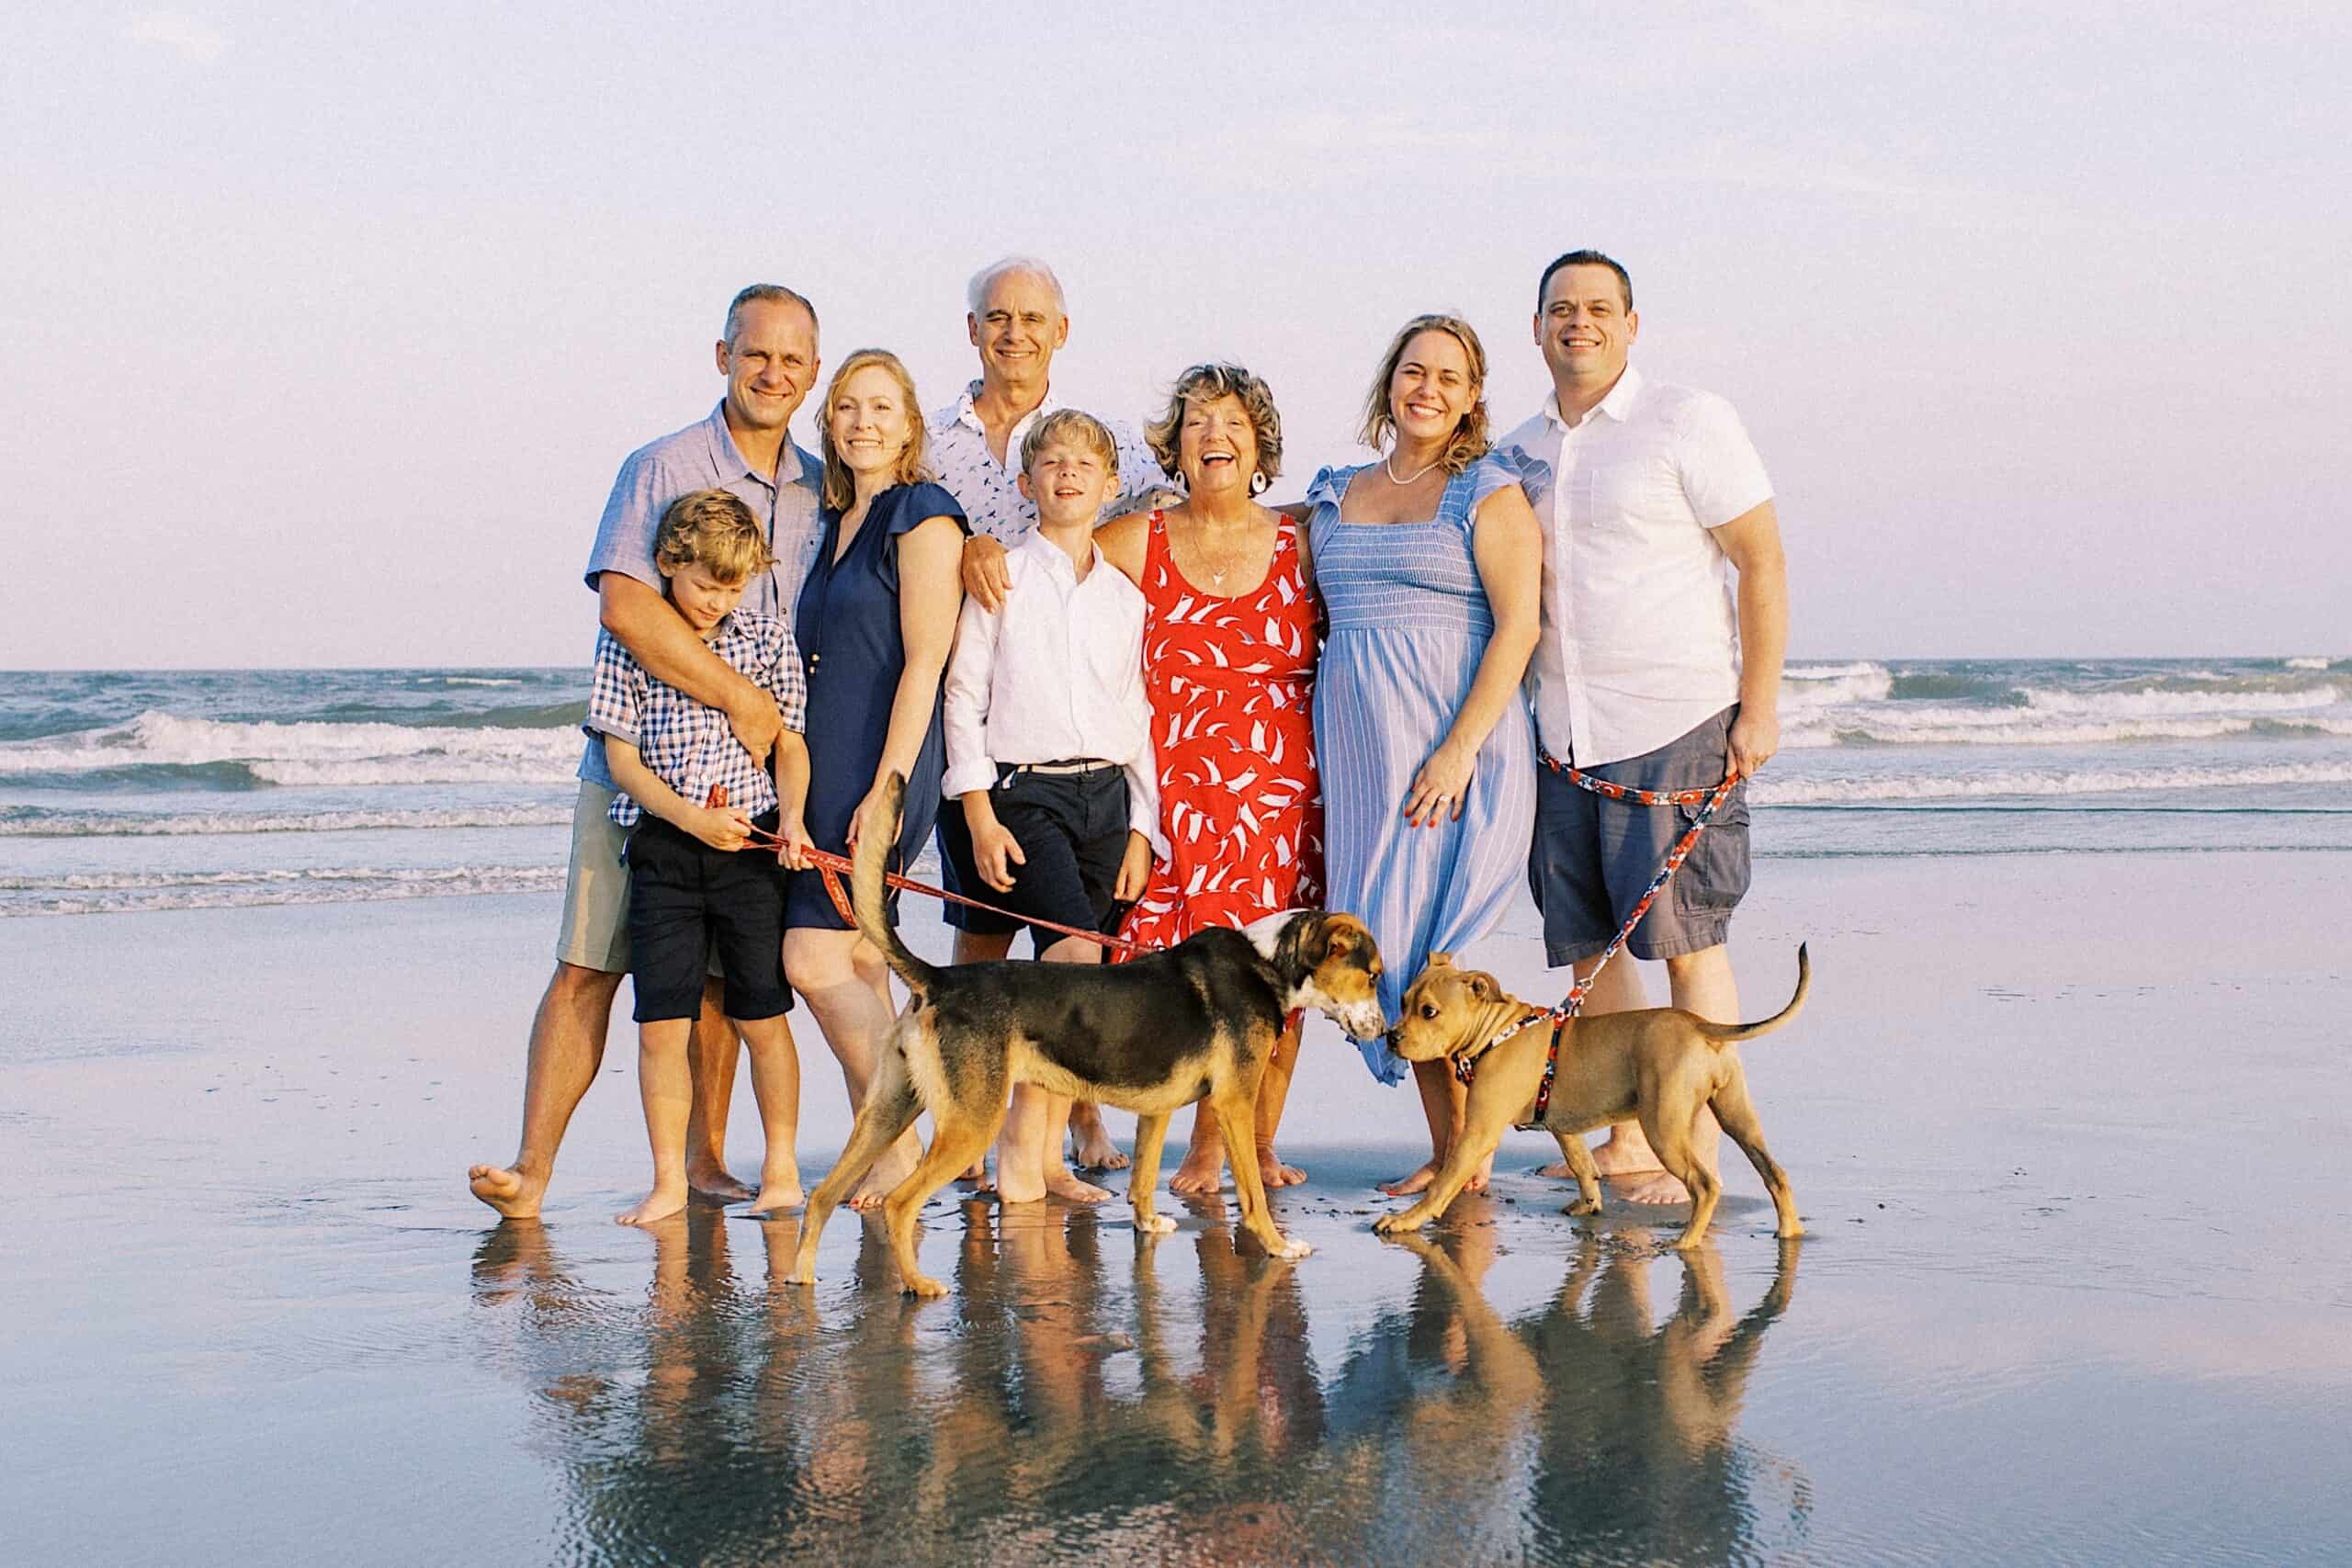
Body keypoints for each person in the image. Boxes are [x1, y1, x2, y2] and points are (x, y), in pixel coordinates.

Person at [468, 285, 824, 1220]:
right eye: (756, 353)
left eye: (792, 360)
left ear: (812, 373)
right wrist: (740, 695)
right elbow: (624, 606)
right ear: (722, 356)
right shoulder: (660, 466)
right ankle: (531, 1171)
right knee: (591, 964)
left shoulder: (821, 488)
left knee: (716, 990)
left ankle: (702, 1165)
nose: (772, 373)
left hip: (748, 793)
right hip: (637, 782)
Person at [1497, 250, 1789, 1206]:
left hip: (1676, 720)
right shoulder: (1517, 450)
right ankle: (1622, 1136)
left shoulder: (1686, 420)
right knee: (1590, 945)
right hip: (1561, 733)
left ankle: (1691, 1141)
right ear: (1536, 328)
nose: (1577, 323)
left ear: (1629, 324)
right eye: (1559, 309)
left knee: (1687, 940)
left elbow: (1759, 559)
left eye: (1596, 308)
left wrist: (1759, 704)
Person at [933, 255, 1173, 1176]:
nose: (1015, 331)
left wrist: (1143, 824)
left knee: (1078, 966)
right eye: (997, 316)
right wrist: (977, 806)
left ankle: (1047, 1140)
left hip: (1107, 798)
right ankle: (1016, 1160)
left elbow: (1137, 710)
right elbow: (964, 694)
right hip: (1012, 784)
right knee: (1038, 957)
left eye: (1033, 318)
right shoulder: (935, 448)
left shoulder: (1122, 593)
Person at [1307, 314, 1544, 1198]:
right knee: (1392, 959)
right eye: (1414, 371)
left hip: (1454, 754)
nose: (1428, 389)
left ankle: (1465, 1157)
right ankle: (1454, 1154)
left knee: (1436, 957)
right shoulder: (1337, 494)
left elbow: (1517, 627)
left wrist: (1456, 751)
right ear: (1389, 380)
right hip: (1366, 762)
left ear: (1474, 395)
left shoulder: (1488, 490)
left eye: (1450, 377)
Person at [1088, 363, 1325, 1197]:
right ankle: (1195, 1146)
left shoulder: (1303, 544)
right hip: (1178, 794)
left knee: (1280, 981)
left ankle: (1252, 1146)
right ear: (1174, 445)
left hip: (1282, 797)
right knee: (1180, 980)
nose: (1213, 435)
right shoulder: (1132, 541)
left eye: (1231, 421)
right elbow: (1046, 580)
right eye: (1195, 421)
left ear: (1260, 442)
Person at [582, 491, 817, 1225]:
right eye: (704, 583)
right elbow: (622, 759)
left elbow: (790, 743)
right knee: (662, 1023)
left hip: (750, 850)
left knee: (761, 1012)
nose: (718, 600)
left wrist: (799, 822)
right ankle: (668, 1180)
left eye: (733, 585)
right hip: (666, 850)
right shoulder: (631, 642)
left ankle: (780, 1167)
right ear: (666, 563)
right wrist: (688, 817)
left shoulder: (768, 638)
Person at [783, 348, 967, 1208]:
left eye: (882, 408)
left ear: (911, 423)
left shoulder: (922, 512)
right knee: (860, 959)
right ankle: (899, 1143)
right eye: (848, 407)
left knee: (812, 957)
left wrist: (884, 792)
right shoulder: (832, 525)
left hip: (880, 765)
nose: (863, 423)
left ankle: (899, 1155)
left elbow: (926, 660)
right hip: (823, 767)